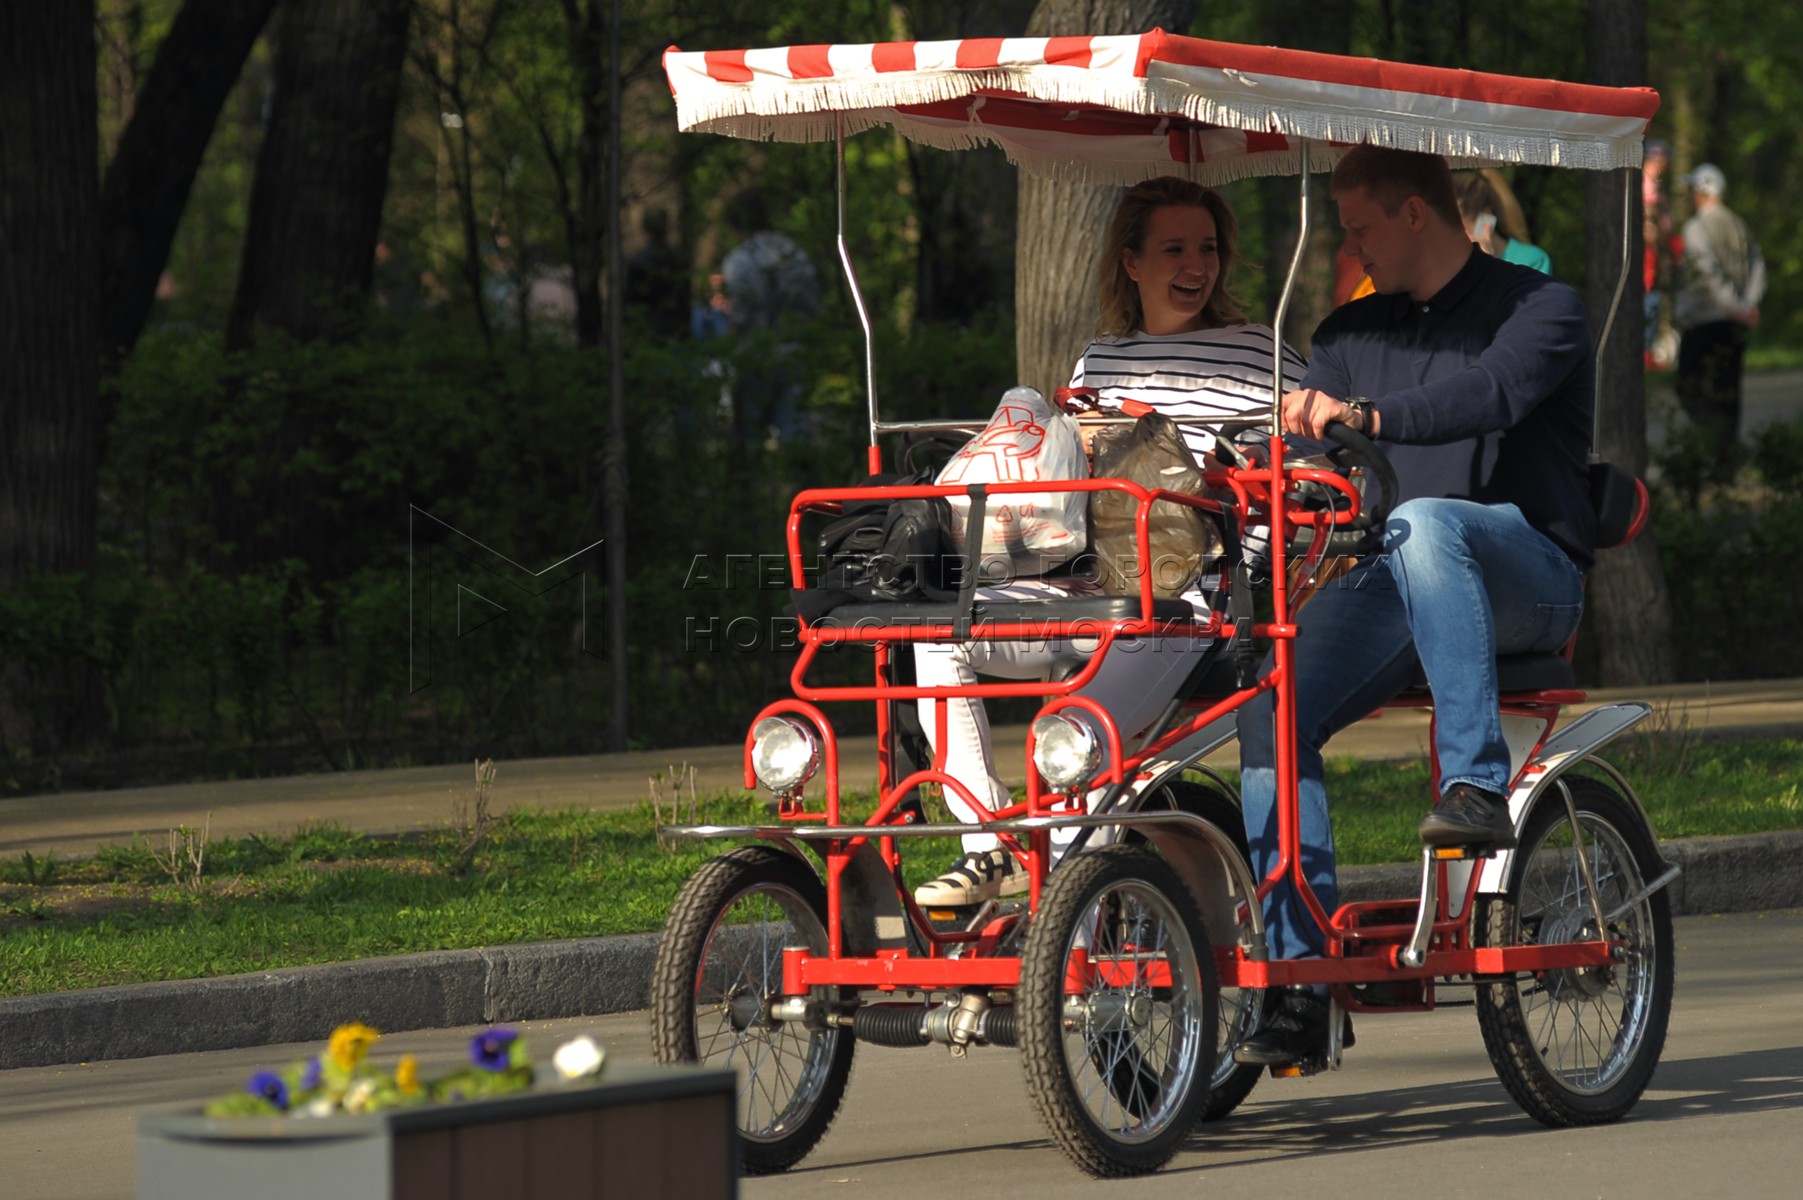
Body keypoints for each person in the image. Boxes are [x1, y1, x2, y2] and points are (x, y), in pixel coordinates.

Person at [1232, 146, 1595, 1067]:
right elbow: (1313, 476)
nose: (1349, 250)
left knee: (1430, 519)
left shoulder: (1538, 307)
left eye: (1357, 228)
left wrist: (1366, 418)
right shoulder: (1347, 334)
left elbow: (1489, 394)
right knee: (1270, 708)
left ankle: (1474, 786)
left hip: (1531, 575)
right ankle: (1298, 980)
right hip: (1393, 577)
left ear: (1413, 215)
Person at [912, 176, 1306, 906]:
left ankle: (1070, 962)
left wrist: (1239, 479)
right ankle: (990, 846)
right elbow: (1065, 486)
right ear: (1131, 262)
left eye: (1208, 249)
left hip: (1192, 598)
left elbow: (1312, 477)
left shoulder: (1263, 352)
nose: (1196, 267)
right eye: (1174, 250)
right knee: (940, 631)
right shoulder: (1100, 361)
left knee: (1070, 738)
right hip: (1089, 583)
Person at [1673, 162, 1765, 479]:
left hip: (1706, 320)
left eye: (1694, 190)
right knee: (1727, 390)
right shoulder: (1739, 224)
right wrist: (1748, 304)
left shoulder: (1697, 227)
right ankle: (1725, 461)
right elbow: (1757, 265)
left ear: (1703, 192)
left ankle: (1718, 445)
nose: (1691, 196)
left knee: (1688, 385)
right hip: (1734, 322)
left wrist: (1736, 306)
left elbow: (1709, 275)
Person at [1453, 169, 1552, 274]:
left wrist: (1484, 264)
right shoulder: (1450, 265)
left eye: (1456, 227)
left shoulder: (1533, 261)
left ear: (1485, 220)